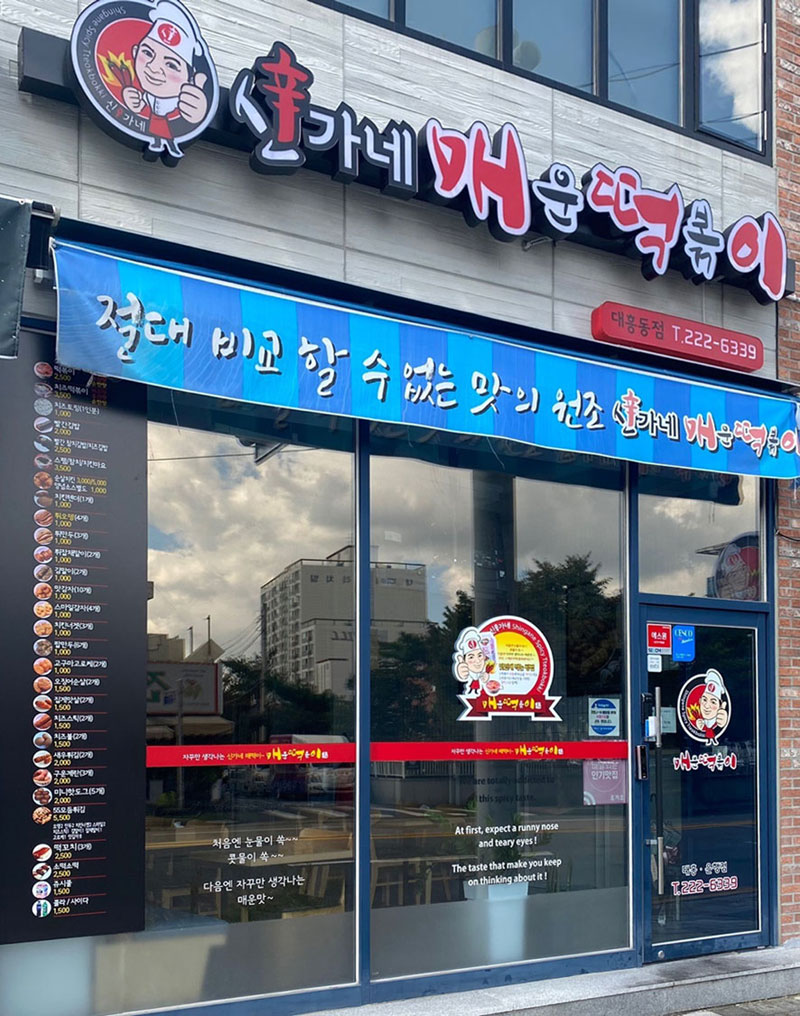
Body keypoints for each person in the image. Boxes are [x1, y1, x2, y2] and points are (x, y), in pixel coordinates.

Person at [122, 0, 209, 160]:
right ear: (135, 52)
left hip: (170, 131)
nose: (154, 67)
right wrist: (132, 103)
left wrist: (199, 114)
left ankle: (169, 146)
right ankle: (158, 144)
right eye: (147, 53)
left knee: (167, 137)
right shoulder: (146, 96)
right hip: (152, 128)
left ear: (190, 77)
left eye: (171, 65)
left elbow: (188, 116)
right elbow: (141, 106)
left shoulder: (183, 102)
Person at [694, 669, 729, 745]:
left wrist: (723, 723)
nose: (706, 706)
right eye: (704, 700)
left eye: (713, 702)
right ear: (700, 701)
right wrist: (698, 725)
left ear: (720, 705)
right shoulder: (703, 720)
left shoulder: (718, 719)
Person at [453, 627, 489, 696]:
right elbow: (463, 676)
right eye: (471, 657)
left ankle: (474, 691)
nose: (477, 661)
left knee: (475, 687)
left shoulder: (485, 669)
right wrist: (461, 673)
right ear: (464, 659)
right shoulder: (468, 672)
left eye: (480, 655)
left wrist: (487, 677)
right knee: (472, 687)